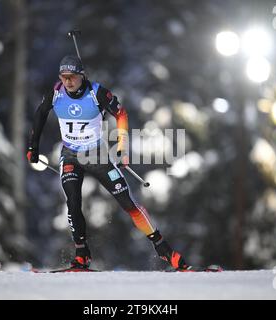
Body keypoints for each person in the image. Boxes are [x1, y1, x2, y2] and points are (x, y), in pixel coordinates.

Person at [27, 55, 189, 271]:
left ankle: (164, 250)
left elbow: (121, 114)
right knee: (72, 202)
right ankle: (81, 255)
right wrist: (33, 147)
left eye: (72, 77)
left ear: (81, 75)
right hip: (71, 155)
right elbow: (39, 116)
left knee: (128, 203)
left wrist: (121, 146)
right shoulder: (56, 93)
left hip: (97, 155)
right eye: (64, 77)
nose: (68, 82)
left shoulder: (97, 93)